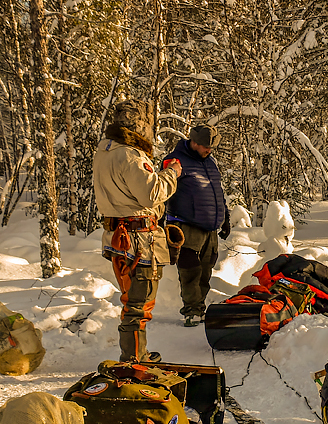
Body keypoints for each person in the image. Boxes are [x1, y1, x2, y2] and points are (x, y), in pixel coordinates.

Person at [94, 99, 181, 362]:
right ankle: (134, 360)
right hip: (138, 241)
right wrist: (171, 174)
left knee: (133, 300)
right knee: (138, 305)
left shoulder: (105, 149)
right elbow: (152, 193)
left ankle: (136, 354)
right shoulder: (129, 155)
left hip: (119, 237)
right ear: (141, 124)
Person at [164, 125, 230, 327]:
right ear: (194, 143)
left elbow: (216, 192)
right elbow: (162, 190)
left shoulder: (210, 163)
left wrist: (225, 216)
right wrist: (161, 223)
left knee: (206, 270)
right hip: (186, 224)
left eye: (211, 147)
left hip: (210, 226)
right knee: (190, 270)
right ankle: (192, 310)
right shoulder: (175, 161)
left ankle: (199, 307)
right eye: (205, 146)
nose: (209, 150)